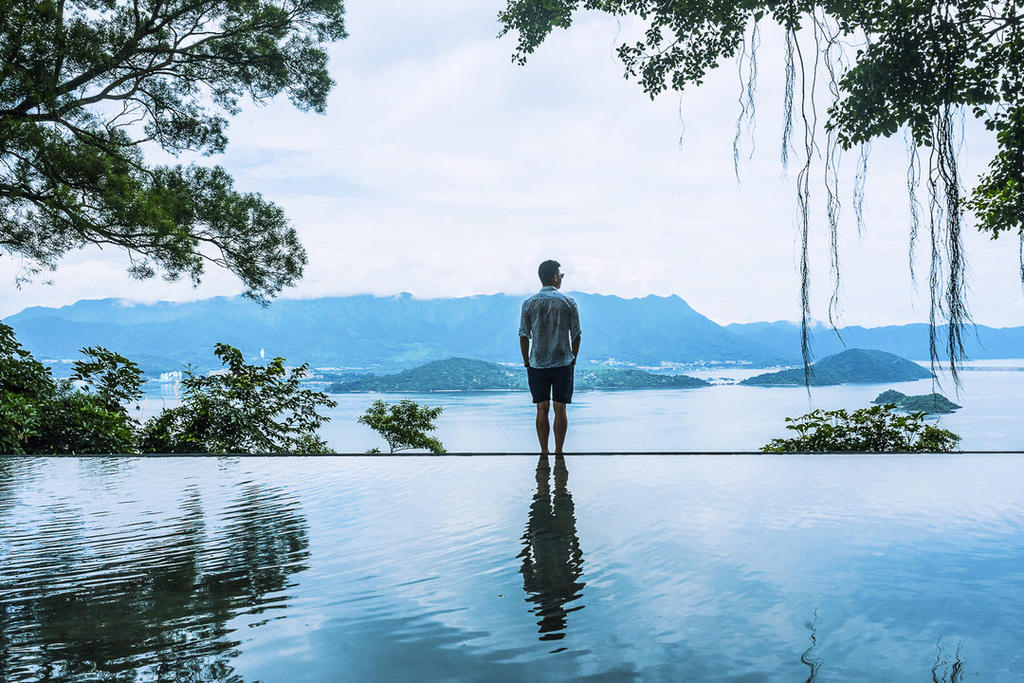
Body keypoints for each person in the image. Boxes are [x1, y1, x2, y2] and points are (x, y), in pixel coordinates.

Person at [518, 260, 581, 455]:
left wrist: (527, 361)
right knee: (560, 408)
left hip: (537, 363)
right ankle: (559, 452)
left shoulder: (529, 303)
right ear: (554, 277)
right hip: (563, 362)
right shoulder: (568, 302)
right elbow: (577, 334)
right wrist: (573, 359)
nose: (561, 279)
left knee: (541, 407)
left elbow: (523, 335)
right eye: (561, 276)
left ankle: (544, 451)